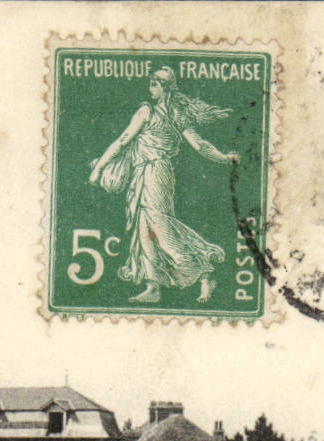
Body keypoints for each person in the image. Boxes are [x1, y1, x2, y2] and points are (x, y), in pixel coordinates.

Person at [89, 67, 239, 304]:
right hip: (143, 174)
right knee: (144, 230)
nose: (151, 86)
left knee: (161, 228)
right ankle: (153, 286)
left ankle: (204, 271)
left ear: (166, 87)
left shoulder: (159, 113)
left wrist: (223, 158)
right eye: (151, 82)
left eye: (155, 82)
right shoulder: (153, 111)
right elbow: (125, 141)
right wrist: (223, 157)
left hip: (157, 174)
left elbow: (198, 145)